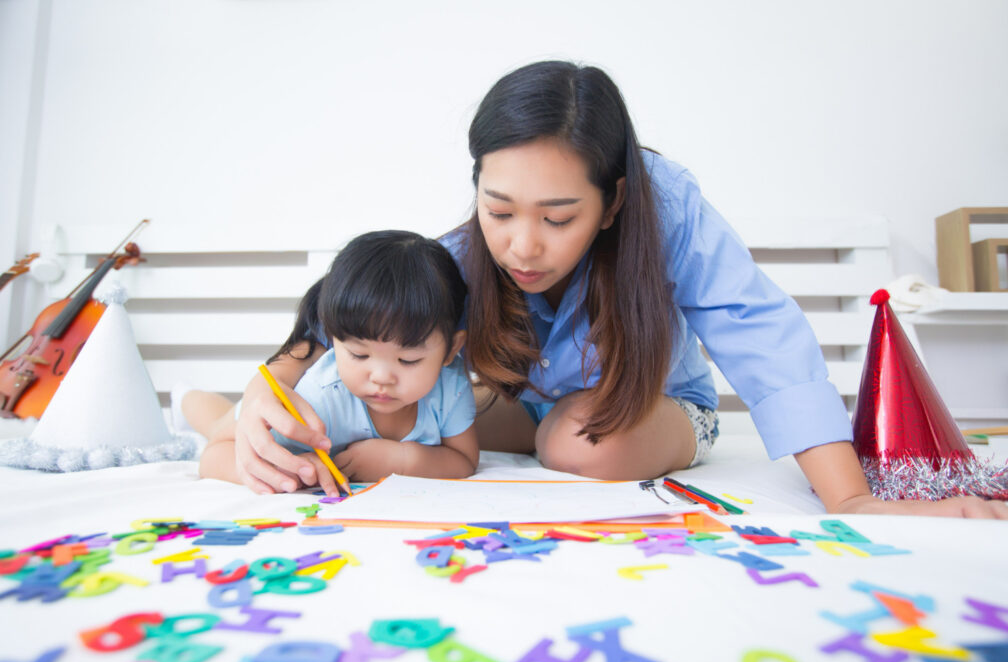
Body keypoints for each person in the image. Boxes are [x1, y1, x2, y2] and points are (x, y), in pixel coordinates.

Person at [232, 61, 1006, 519]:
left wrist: (850, 501)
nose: (521, 245)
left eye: (558, 216)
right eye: (498, 210)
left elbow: (758, 331)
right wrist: (268, 387)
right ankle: (205, 416)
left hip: (661, 413)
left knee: (570, 439)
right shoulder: (467, 251)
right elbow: (362, 303)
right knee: (390, 397)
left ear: (615, 200)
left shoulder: (667, 206)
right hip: (529, 412)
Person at [184, 230, 479, 495]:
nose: (381, 377)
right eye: (359, 355)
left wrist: (402, 460)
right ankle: (186, 397)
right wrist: (291, 467)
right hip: (258, 411)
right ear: (332, 339)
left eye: (408, 359)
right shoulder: (316, 399)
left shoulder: (450, 387)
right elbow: (214, 456)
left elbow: (464, 459)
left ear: (451, 349)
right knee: (215, 424)